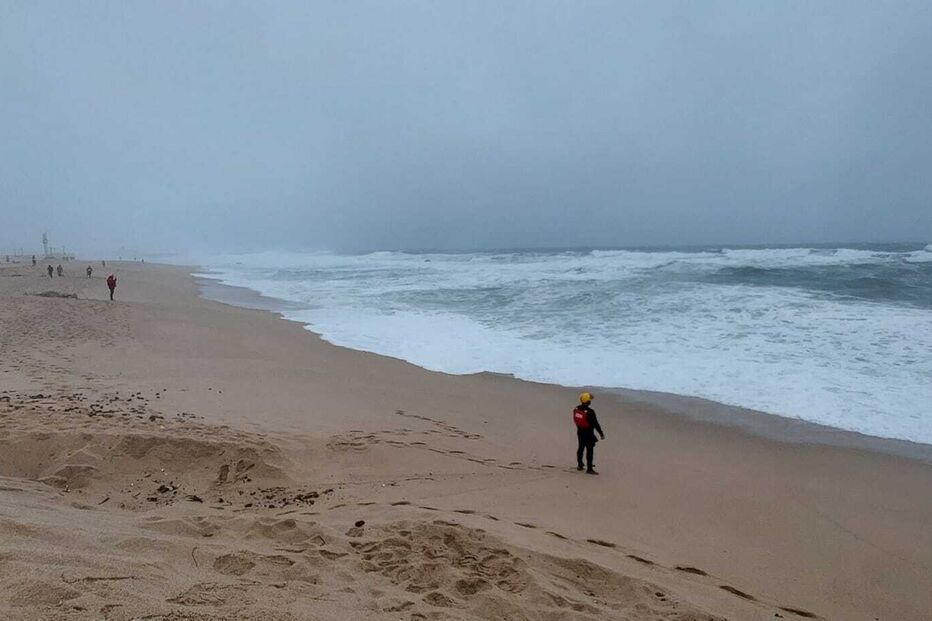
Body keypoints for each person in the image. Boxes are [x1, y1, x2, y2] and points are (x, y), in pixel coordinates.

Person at [573, 392, 605, 474]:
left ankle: (580, 465)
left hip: (580, 432)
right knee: (590, 450)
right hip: (588, 433)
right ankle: (589, 469)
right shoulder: (590, 412)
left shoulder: (576, 409)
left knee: (581, 448)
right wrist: (601, 434)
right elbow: (596, 424)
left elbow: (576, 420)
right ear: (588, 402)